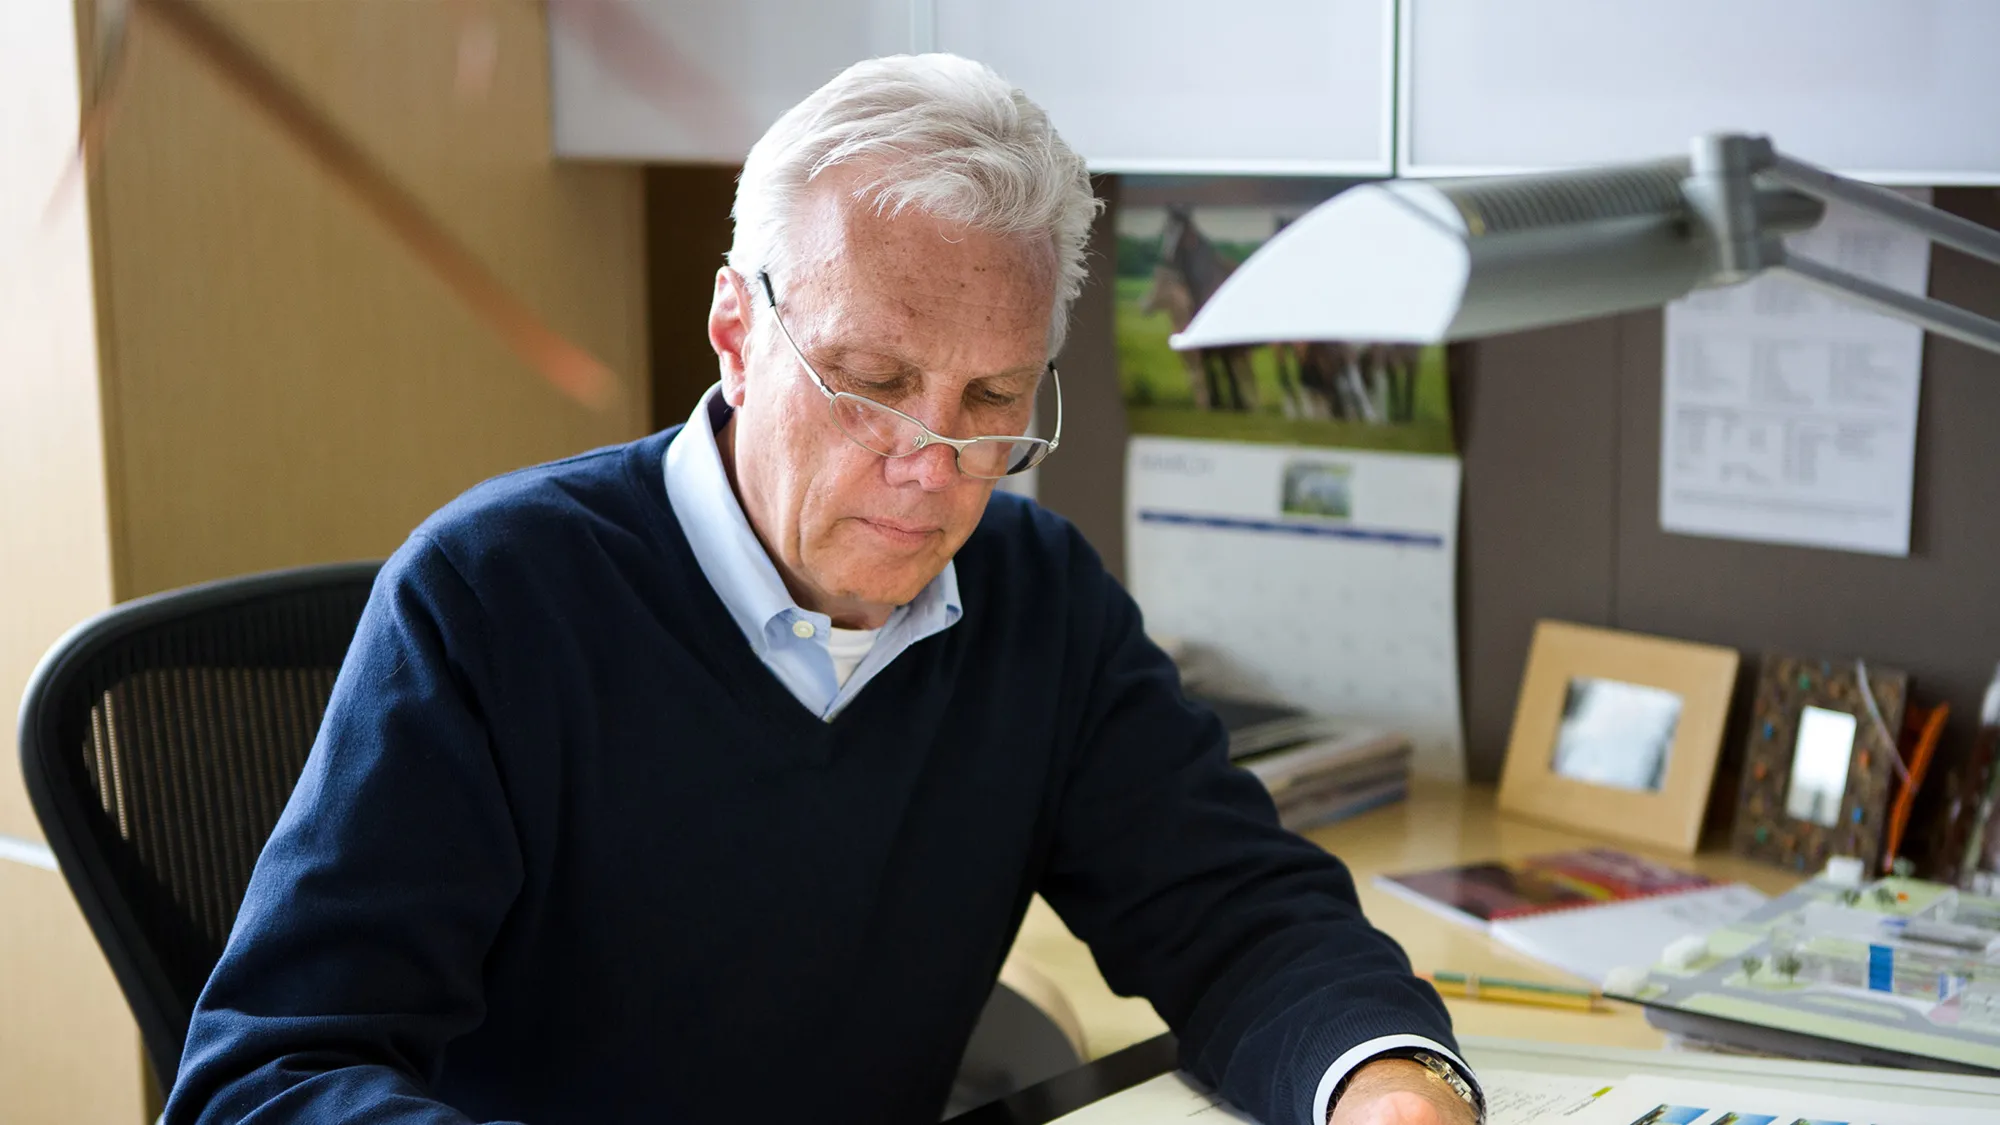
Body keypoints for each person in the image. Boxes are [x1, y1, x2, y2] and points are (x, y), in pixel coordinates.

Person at [165, 54, 1480, 1125]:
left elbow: (1234, 917)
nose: (932, 467)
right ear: (738, 332)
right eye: (874, 380)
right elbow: (263, 1082)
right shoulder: (495, 598)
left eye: (993, 403)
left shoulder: (1036, 601)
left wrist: (1380, 1082)